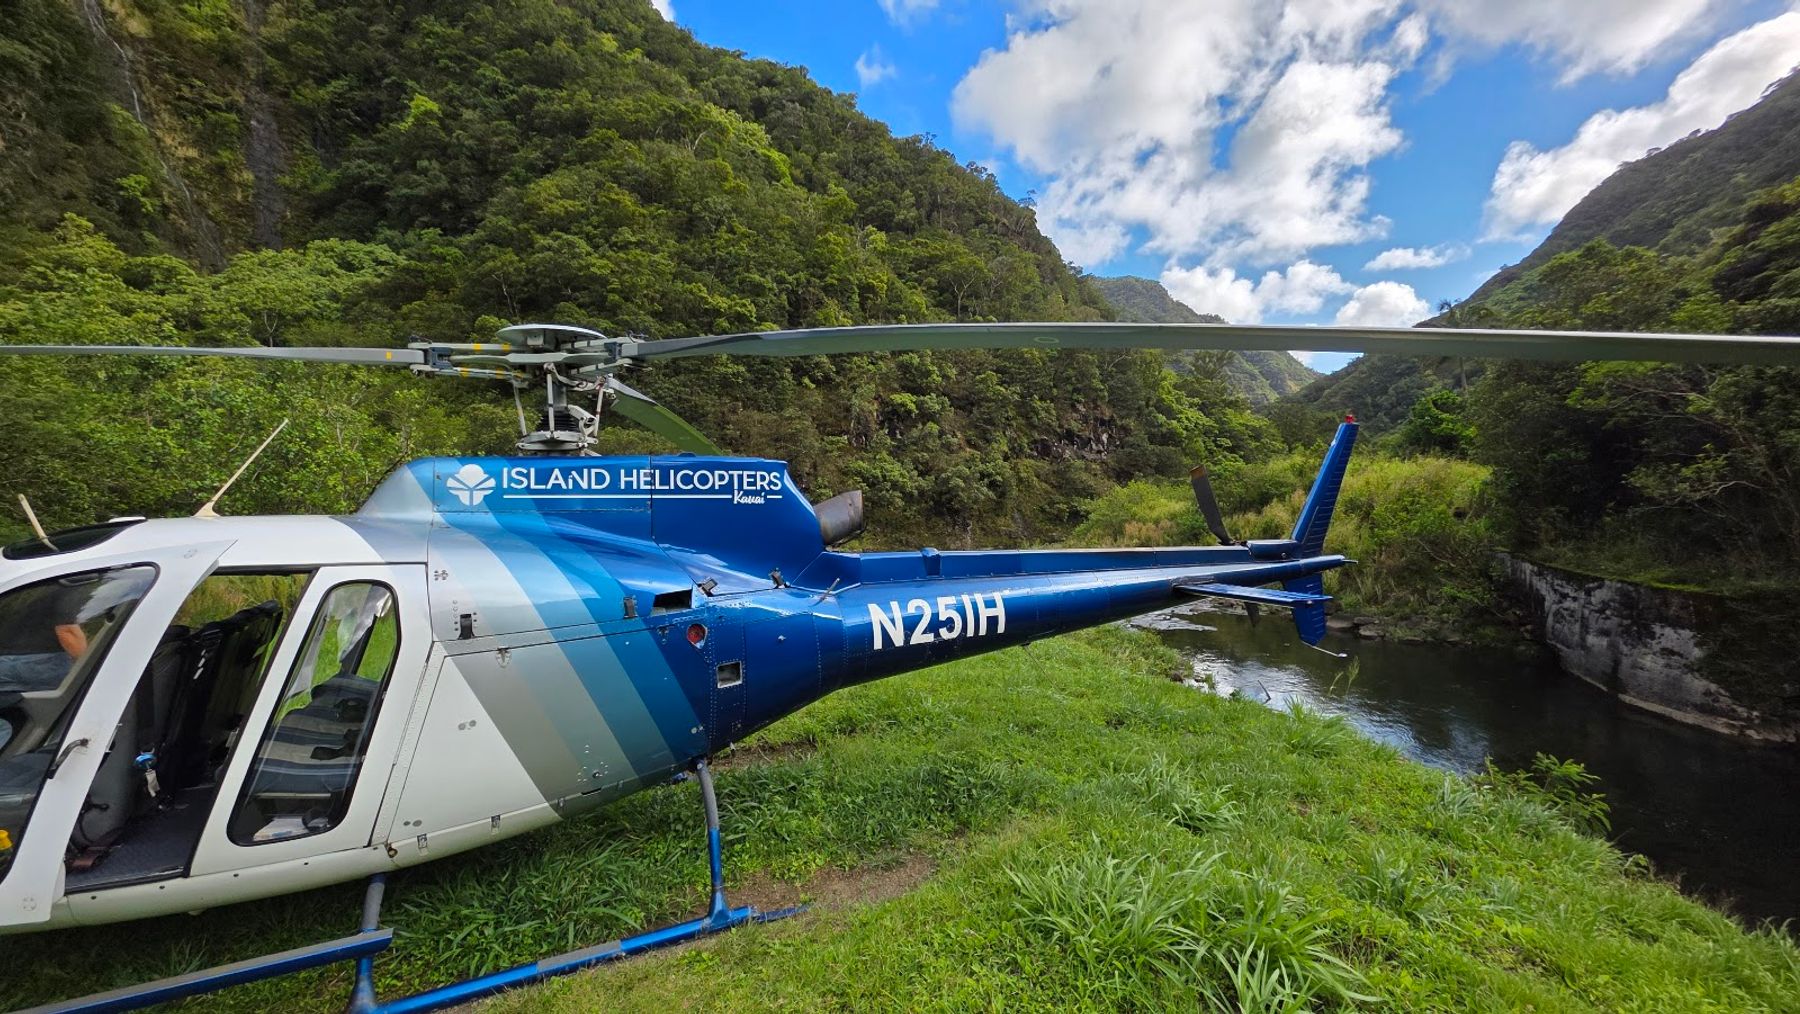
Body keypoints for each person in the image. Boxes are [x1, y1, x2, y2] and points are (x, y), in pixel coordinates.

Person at [0, 579, 89, 694]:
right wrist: (90, 667)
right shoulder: (71, 588)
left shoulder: (36, 586)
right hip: (42, 662)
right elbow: (67, 632)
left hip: (9, 660)